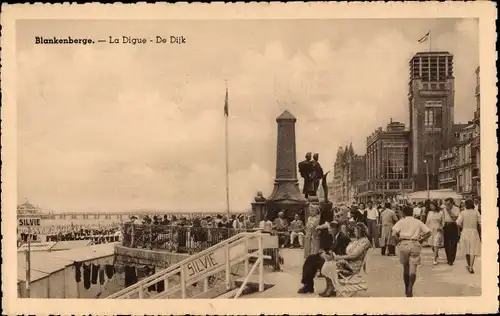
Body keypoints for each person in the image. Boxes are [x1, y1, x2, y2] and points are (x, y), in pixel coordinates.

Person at [319, 222, 371, 297]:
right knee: (327, 262)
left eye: (355, 230)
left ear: (360, 231)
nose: (354, 232)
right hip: (348, 261)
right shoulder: (357, 241)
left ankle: (331, 288)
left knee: (328, 265)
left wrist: (339, 257)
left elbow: (354, 255)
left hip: (353, 265)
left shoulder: (365, 242)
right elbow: (349, 252)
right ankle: (330, 288)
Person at [298, 220, 350, 294]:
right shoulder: (335, 237)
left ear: (336, 229)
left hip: (336, 262)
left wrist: (325, 254)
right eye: (329, 228)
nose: (329, 229)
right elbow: (331, 250)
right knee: (310, 258)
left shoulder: (342, 238)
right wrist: (324, 252)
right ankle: (307, 285)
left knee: (314, 261)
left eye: (331, 228)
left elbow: (340, 254)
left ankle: (309, 286)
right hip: (330, 259)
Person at [392, 206, 431, 297]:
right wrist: (421, 240)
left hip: (404, 243)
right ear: (412, 212)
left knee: (405, 268)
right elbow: (428, 232)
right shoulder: (418, 222)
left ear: (403, 213)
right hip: (415, 244)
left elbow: (393, 234)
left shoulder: (401, 221)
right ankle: (410, 287)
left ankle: (406, 288)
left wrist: (398, 240)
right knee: (413, 269)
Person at [456, 199, 481, 274]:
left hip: (465, 231)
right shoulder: (476, 212)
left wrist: (461, 227)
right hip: (474, 231)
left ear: (466, 205)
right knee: (472, 249)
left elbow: (458, 222)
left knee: (466, 249)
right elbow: (480, 222)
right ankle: (471, 267)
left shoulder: (463, 213)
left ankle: (468, 265)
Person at [425, 200, 445, 265]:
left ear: (435, 206)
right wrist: (425, 230)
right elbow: (427, 222)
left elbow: (443, 222)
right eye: (430, 206)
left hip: (437, 230)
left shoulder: (441, 213)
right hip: (430, 230)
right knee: (432, 246)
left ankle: (435, 259)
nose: (431, 207)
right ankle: (436, 254)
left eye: (432, 206)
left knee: (436, 244)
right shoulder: (429, 213)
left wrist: (441, 227)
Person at [442, 197, 460, 266]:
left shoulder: (456, 209)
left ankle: (451, 259)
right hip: (446, 226)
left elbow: (455, 218)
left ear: (452, 203)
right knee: (446, 243)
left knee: (453, 243)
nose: (447, 205)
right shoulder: (444, 209)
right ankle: (448, 258)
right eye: (446, 204)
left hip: (453, 225)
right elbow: (443, 218)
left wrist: (449, 211)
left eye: (448, 204)